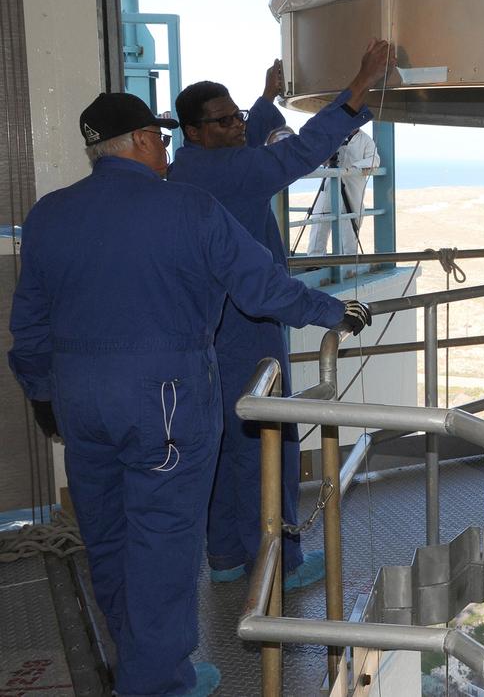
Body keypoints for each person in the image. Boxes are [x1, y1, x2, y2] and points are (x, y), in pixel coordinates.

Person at [8, 92, 371, 697]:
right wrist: (335, 309)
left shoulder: (50, 214)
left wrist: (47, 398)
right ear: (145, 141)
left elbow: (30, 328)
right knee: (162, 542)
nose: (166, 147)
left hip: (81, 404)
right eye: (161, 137)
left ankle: (136, 656)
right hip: (166, 405)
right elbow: (261, 289)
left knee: (109, 536)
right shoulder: (188, 208)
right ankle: (156, 681)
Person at [168, 40, 392, 590]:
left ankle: (222, 556)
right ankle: (282, 563)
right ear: (192, 131)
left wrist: (265, 102)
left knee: (224, 439)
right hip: (248, 327)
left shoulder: (189, 169)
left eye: (238, 117)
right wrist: (358, 87)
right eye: (222, 122)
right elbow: (295, 155)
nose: (236, 126)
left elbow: (250, 144)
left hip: (205, 329)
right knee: (268, 440)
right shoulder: (231, 173)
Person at [306, 125, 381, 256]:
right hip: (330, 185)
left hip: (352, 188)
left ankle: (348, 263)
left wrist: (354, 167)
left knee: (350, 225)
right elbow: (321, 158)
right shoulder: (334, 135)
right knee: (320, 220)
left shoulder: (366, 140)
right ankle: (314, 258)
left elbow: (374, 159)